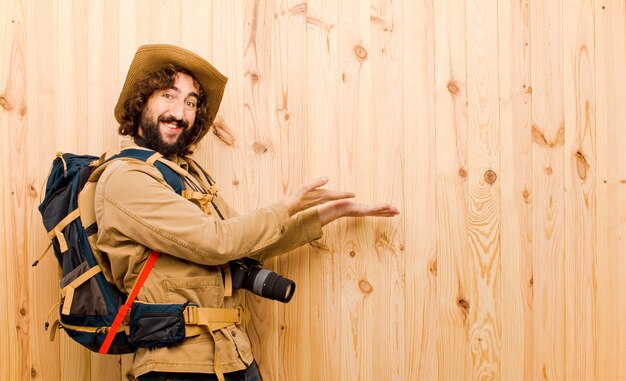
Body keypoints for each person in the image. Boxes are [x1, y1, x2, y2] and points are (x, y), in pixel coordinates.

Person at [95, 44, 399, 381]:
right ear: (141, 101)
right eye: (168, 95)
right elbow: (216, 243)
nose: (180, 113)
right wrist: (286, 205)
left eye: (191, 102)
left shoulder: (188, 174)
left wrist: (327, 214)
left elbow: (245, 245)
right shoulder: (126, 178)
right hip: (177, 368)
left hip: (232, 357)